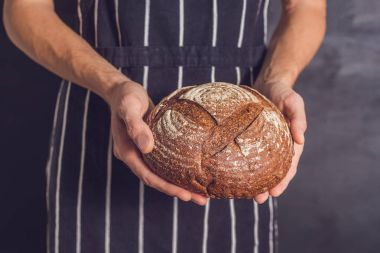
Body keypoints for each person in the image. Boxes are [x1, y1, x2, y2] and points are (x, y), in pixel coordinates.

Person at [4, 0, 326, 252]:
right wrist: (113, 86)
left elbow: (306, 6)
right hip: (103, 105)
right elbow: (26, 9)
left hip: (245, 141)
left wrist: (274, 81)